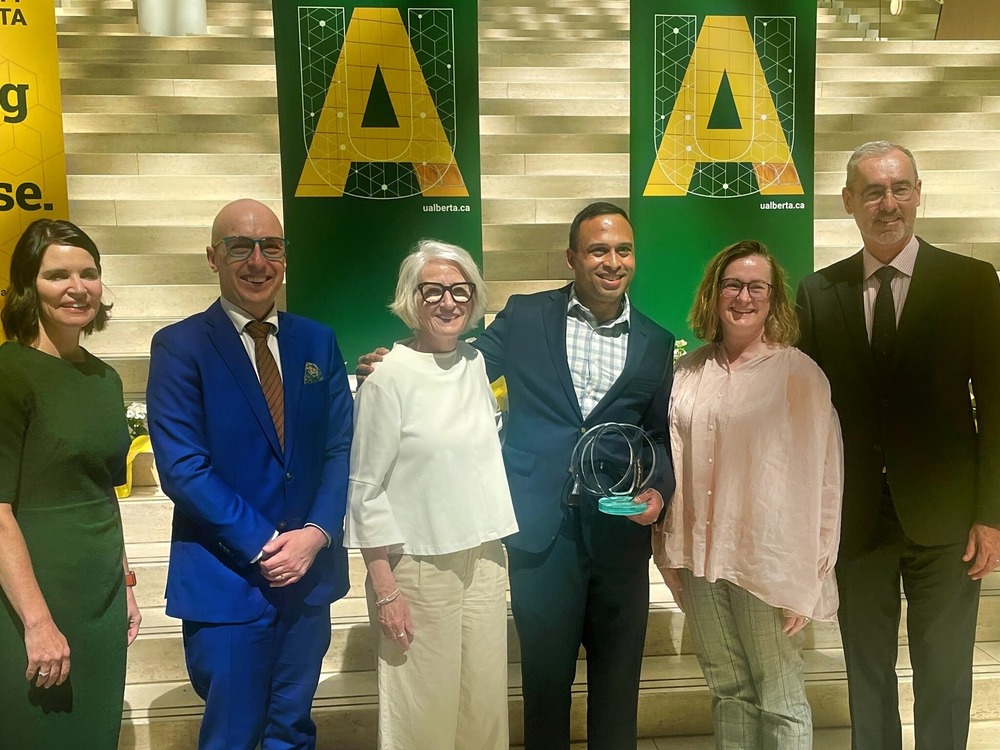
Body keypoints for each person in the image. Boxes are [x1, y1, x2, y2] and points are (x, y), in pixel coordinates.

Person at [359, 202, 675, 749]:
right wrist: (399, 360)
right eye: (598, 250)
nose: (612, 261)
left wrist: (658, 491)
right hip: (539, 530)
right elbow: (454, 364)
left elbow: (658, 437)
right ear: (572, 257)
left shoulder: (656, 340)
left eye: (623, 250)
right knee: (543, 685)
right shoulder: (526, 315)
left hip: (618, 534)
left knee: (619, 684)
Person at [796, 141, 1000, 749]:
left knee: (945, 673)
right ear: (848, 203)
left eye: (900, 188)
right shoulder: (817, 291)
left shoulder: (970, 281)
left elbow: (997, 404)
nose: (889, 204)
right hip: (857, 520)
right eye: (873, 192)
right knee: (866, 672)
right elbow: (807, 413)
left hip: (948, 520)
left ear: (918, 193)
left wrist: (992, 515)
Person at [146, 199, 353, 750]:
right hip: (227, 580)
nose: (258, 260)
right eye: (241, 246)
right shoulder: (180, 346)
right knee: (233, 736)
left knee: (292, 730)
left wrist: (315, 535)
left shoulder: (318, 341)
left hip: (307, 579)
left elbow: (339, 449)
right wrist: (264, 543)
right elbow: (183, 468)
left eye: (272, 246)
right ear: (213, 258)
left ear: (286, 256)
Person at [655, 240, 843, 749]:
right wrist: (666, 551)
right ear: (714, 295)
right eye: (732, 285)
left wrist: (811, 572)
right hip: (699, 560)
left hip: (769, 563)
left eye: (756, 286)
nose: (743, 296)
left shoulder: (797, 373)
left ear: (773, 297)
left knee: (779, 695)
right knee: (729, 690)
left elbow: (825, 478)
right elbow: (672, 460)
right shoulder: (688, 373)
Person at [344, 239, 518, 749]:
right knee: (422, 711)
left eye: (460, 291)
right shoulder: (387, 379)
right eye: (433, 290)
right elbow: (364, 488)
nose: (449, 302)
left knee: (482, 707)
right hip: (418, 566)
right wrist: (385, 589)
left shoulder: (475, 364)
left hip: (484, 556)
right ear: (410, 299)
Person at [0, 219, 142, 748]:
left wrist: (124, 583)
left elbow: (105, 492)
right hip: (31, 602)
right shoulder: (8, 373)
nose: (77, 287)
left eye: (89, 273)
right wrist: (37, 623)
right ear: (27, 287)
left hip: (100, 602)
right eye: (57, 275)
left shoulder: (105, 380)